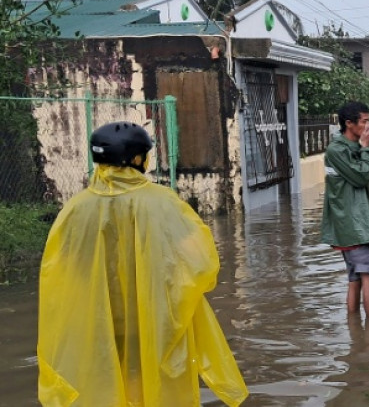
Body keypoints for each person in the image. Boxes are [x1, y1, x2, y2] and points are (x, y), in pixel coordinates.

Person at [37, 121, 247, 407]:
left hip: (98, 320)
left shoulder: (74, 208)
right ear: (137, 159)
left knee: (108, 380)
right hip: (155, 320)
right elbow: (201, 263)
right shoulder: (163, 203)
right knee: (154, 385)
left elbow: (59, 270)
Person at [322, 101, 369, 318]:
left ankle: (358, 337)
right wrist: (366, 148)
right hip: (352, 227)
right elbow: (361, 176)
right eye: (364, 121)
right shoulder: (336, 150)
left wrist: (362, 148)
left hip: (352, 226)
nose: (368, 126)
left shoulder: (346, 148)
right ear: (349, 123)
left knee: (355, 279)